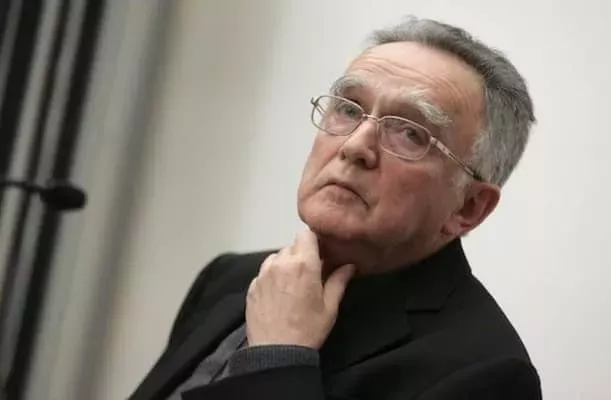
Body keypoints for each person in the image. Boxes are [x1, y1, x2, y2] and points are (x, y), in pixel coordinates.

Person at [129, 16, 541, 400]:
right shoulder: (230, 277)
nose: (355, 146)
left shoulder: (485, 374)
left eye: (410, 133)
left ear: (468, 207)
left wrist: (277, 358)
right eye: (348, 109)